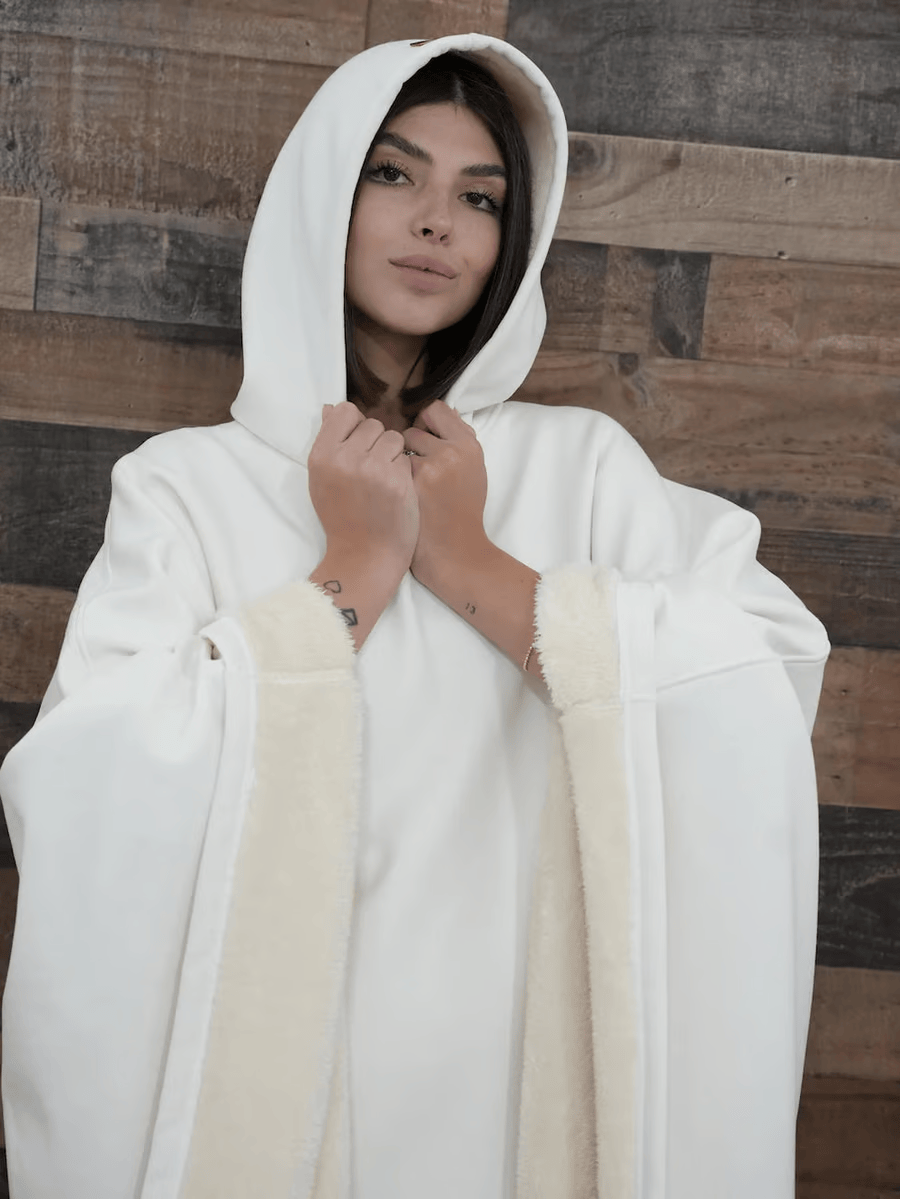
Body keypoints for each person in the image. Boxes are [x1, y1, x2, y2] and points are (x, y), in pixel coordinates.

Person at [0, 33, 829, 1199]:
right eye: (393, 174)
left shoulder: (585, 467)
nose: (438, 221)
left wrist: (470, 559)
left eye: (480, 197)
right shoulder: (186, 486)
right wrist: (351, 570)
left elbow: (765, 675)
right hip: (294, 1102)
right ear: (319, 202)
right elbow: (90, 780)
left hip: (528, 1091)